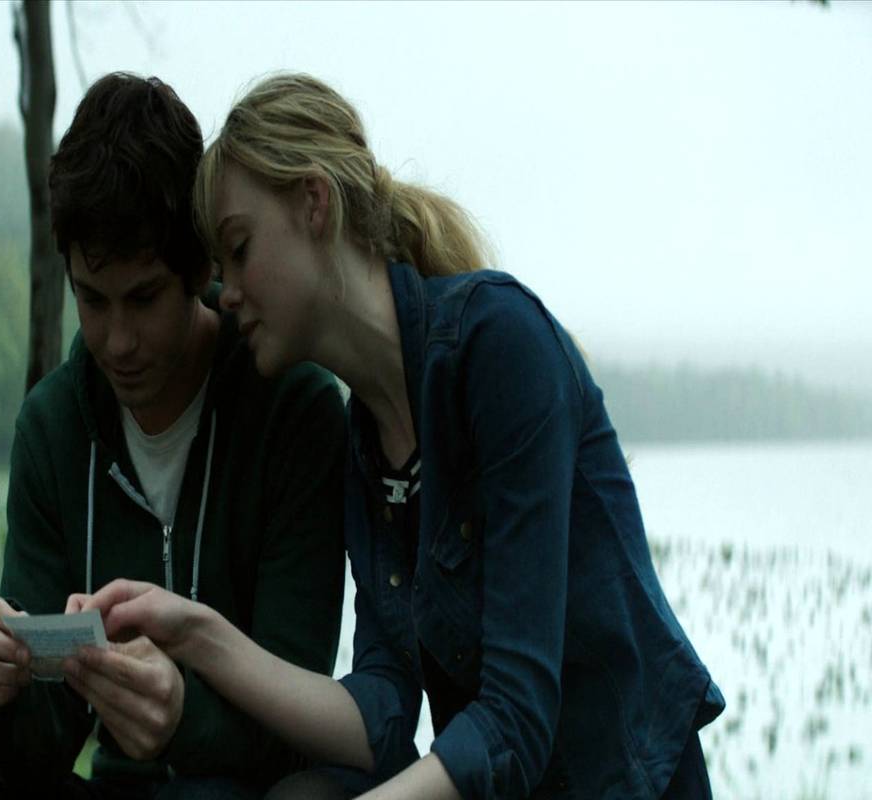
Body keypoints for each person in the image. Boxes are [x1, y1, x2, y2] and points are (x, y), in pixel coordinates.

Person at [77, 73, 726, 800]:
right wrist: (198, 634)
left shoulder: (498, 344)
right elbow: (384, 709)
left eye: (240, 249)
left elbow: (515, 719)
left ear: (315, 203)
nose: (225, 294)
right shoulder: (365, 441)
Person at [0, 73, 347, 799]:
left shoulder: (294, 409)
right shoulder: (52, 427)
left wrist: (183, 718)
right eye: (91, 300)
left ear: (198, 267)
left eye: (144, 297)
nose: (117, 340)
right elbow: (35, 761)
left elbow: (300, 733)